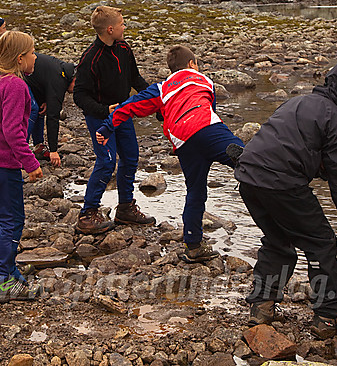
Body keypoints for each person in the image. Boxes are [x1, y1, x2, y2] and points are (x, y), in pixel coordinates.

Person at [232, 61, 337, 339]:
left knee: (278, 240)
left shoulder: (297, 102)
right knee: (322, 244)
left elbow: (282, 142)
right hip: (282, 183)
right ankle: (328, 317)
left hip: (248, 177)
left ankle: (262, 307)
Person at [95, 45, 243, 263]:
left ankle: (193, 246)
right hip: (207, 127)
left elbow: (130, 106)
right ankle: (262, 182)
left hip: (183, 139)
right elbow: (209, 108)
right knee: (248, 160)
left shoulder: (162, 88)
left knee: (195, 190)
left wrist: (107, 128)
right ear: (192, 64)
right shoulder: (202, 79)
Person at [0, 30, 43, 301]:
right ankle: (4, 280)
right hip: (2, 165)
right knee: (12, 220)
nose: (35, 56)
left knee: (2, 218)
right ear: (21, 58)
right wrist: (31, 163)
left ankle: (3, 270)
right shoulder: (15, 85)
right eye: (33, 52)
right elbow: (13, 131)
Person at [73, 5, 154, 234]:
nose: (124, 27)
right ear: (110, 29)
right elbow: (79, 95)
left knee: (130, 157)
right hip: (100, 117)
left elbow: (135, 79)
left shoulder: (124, 49)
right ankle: (87, 214)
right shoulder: (91, 58)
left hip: (124, 114)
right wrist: (103, 110)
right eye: (122, 24)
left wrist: (158, 99)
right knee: (107, 162)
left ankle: (126, 208)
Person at [25, 54, 76, 168]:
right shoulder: (59, 80)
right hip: (19, 75)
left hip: (30, 79)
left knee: (40, 109)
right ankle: (20, 152)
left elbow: (43, 82)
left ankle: (39, 147)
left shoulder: (64, 71)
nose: (75, 91)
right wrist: (54, 150)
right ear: (74, 79)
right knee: (33, 109)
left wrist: (45, 100)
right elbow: (53, 117)